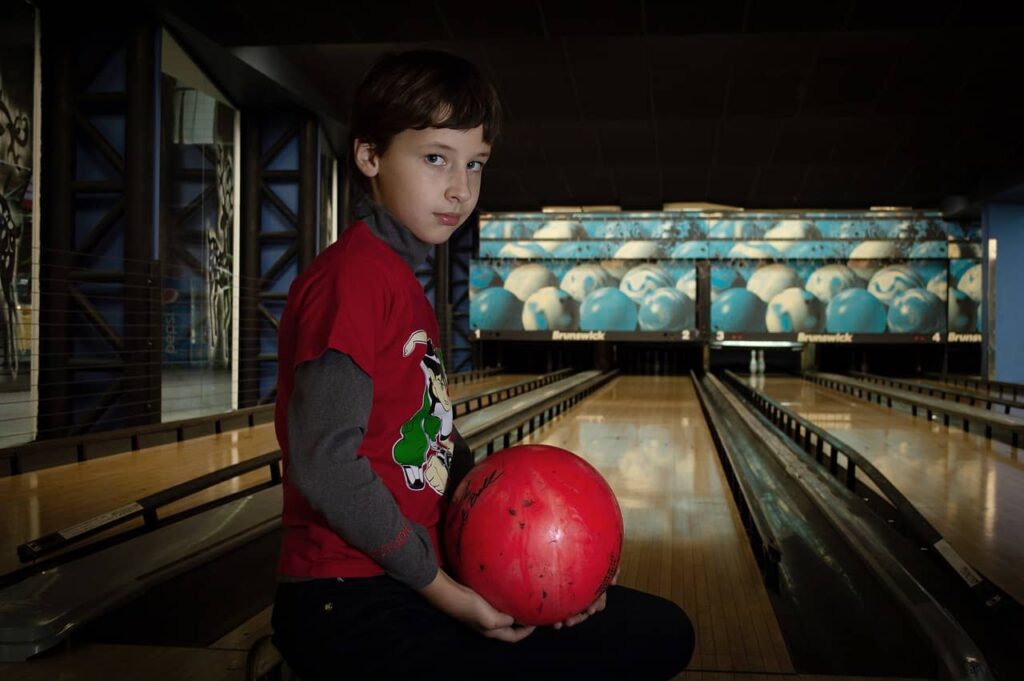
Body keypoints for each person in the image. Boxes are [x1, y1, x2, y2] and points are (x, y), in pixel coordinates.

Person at [270, 49, 695, 680]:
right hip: (346, 603)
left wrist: (555, 582)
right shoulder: (353, 280)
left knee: (647, 627)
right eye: (435, 158)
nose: (460, 187)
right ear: (369, 155)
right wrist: (446, 592)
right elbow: (325, 464)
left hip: (404, 580)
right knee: (650, 640)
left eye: (476, 164)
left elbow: (435, 443)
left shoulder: (401, 282)